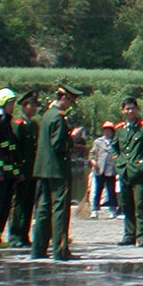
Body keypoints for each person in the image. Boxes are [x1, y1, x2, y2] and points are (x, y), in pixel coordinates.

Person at [31, 81, 85, 261]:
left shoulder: (47, 115)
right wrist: (72, 138)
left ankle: (38, 249)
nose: (70, 105)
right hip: (57, 170)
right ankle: (60, 250)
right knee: (60, 210)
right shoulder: (58, 118)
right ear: (63, 98)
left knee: (43, 209)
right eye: (70, 101)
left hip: (43, 170)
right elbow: (59, 145)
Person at [114, 97, 143, 247]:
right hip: (124, 170)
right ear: (122, 111)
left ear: (137, 110)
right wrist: (118, 160)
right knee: (126, 204)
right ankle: (129, 234)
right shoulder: (120, 129)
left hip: (138, 170)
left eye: (132, 108)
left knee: (139, 204)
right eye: (127, 109)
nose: (130, 111)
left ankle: (142, 235)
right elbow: (114, 146)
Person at [7, 90, 41, 247]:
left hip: (31, 170)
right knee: (19, 203)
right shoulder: (18, 125)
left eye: (35, 105)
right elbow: (15, 150)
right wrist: (18, 170)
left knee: (28, 203)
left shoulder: (33, 125)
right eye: (31, 105)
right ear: (24, 106)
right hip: (22, 169)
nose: (34, 108)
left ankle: (24, 235)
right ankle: (15, 235)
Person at [0, 88, 19, 249]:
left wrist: (15, 171)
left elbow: (11, 150)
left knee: (4, 206)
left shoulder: (5, 122)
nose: (12, 107)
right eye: (10, 103)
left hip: (7, 174)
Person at [89, 122, 120, 219]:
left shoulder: (116, 141)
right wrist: (93, 161)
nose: (107, 131)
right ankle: (94, 210)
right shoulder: (98, 142)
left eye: (109, 130)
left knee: (111, 191)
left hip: (111, 169)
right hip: (99, 169)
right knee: (97, 190)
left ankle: (113, 210)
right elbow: (92, 153)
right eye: (105, 129)